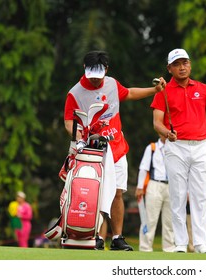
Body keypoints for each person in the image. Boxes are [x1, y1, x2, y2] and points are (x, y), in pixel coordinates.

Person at [63, 50, 166, 251]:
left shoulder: (111, 83)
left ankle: (117, 237)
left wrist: (155, 91)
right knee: (96, 194)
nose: (95, 81)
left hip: (117, 146)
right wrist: (79, 138)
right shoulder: (74, 93)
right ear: (85, 69)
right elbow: (69, 122)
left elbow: (129, 93)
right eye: (91, 76)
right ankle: (96, 237)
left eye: (98, 76)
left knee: (118, 192)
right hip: (92, 151)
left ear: (106, 70)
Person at [151, 48, 206, 253]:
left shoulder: (204, 89)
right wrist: (167, 133)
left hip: (201, 146)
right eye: (177, 64)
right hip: (176, 147)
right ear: (169, 68)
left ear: (190, 64)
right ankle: (180, 243)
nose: (182, 67)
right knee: (178, 195)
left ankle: (201, 243)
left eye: (185, 63)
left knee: (201, 196)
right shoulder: (163, 91)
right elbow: (157, 122)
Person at [135, 133, 174, 252]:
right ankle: (145, 248)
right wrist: (140, 187)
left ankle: (170, 249)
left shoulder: (175, 149)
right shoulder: (152, 148)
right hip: (155, 183)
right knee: (150, 219)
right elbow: (144, 168)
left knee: (170, 221)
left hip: (171, 186)